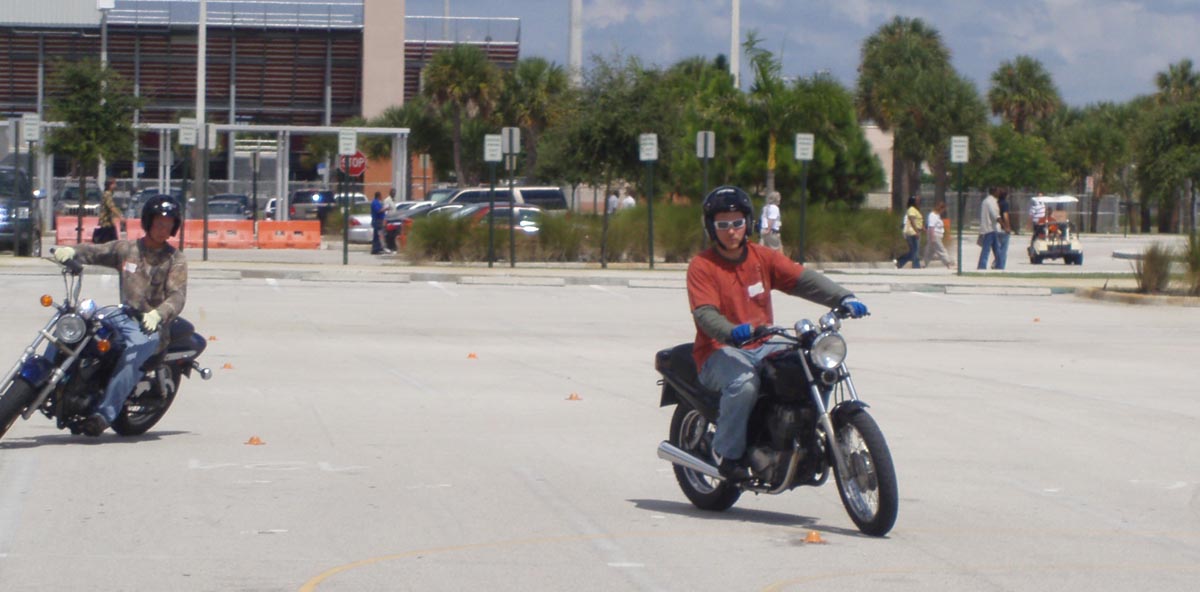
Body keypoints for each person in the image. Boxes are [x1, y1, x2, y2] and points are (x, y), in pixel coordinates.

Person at [687, 186, 869, 481]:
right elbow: (705, 314)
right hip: (718, 350)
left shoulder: (762, 257)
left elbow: (802, 279)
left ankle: (806, 434)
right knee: (744, 383)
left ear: (748, 222)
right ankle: (728, 455)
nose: (731, 231)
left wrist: (843, 297)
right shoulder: (702, 266)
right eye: (723, 224)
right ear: (711, 227)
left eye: (737, 223)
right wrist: (732, 332)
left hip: (764, 343)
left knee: (815, 365)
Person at [51, 196, 188, 436]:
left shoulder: (176, 259)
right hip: (122, 314)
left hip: (150, 326)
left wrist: (158, 314)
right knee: (76, 320)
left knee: (134, 353)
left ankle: (104, 415)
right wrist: (72, 251)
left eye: (168, 224)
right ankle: (49, 375)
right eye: (159, 222)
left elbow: (177, 296)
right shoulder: (128, 249)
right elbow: (97, 252)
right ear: (148, 222)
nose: (163, 228)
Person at [921, 201, 954, 268]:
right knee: (941, 249)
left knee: (929, 251)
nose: (943, 211)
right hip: (934, 235)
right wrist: (932, 237)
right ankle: (948, 263)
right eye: (943, 209)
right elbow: (931, 226)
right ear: (940, 208)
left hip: (936, 235)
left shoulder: (937, 216)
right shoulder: (932, 215)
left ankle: (924, 264)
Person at [895, 195, 923, 268]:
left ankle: (900, 262)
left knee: (914, 251)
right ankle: (915, 266)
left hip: (915, 231)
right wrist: (916, 231)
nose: (918, 202)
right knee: (915, 250)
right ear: (913, 202)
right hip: (913, 232)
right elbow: (912, 221)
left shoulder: (915, 209)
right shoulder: (911, 209)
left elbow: (917, 221)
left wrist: (922, 228)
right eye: (917, 200)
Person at [977, 187, 1002, 270]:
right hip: (990, 229)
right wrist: (1005, 226)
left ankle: (999, 265)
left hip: (990, 229)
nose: (999, 193)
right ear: (994, 192)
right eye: (998, 191)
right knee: (986, 249)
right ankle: (982, 266)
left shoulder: (985, 201)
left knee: (997, 249)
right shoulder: (991, 201)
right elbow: (995, 216)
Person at [94, 179, 123, 244]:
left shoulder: (108, 194)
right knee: (111, 242)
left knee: (110, 242)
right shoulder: (107, 194)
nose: (115, 185)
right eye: (114, 184)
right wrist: (120, 216)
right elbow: (111, 207)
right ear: (110, 185)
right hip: (106, 222)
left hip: (109, 222)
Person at [994, 188, 1012, 269]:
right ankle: (1000, 266)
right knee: (1003, 249)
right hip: (1002, 229)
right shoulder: (1005, 204)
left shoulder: (996, 203)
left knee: (998, 249)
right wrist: (1007, 227)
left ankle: (996, 263)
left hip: (996, 228)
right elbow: (1005, 215)